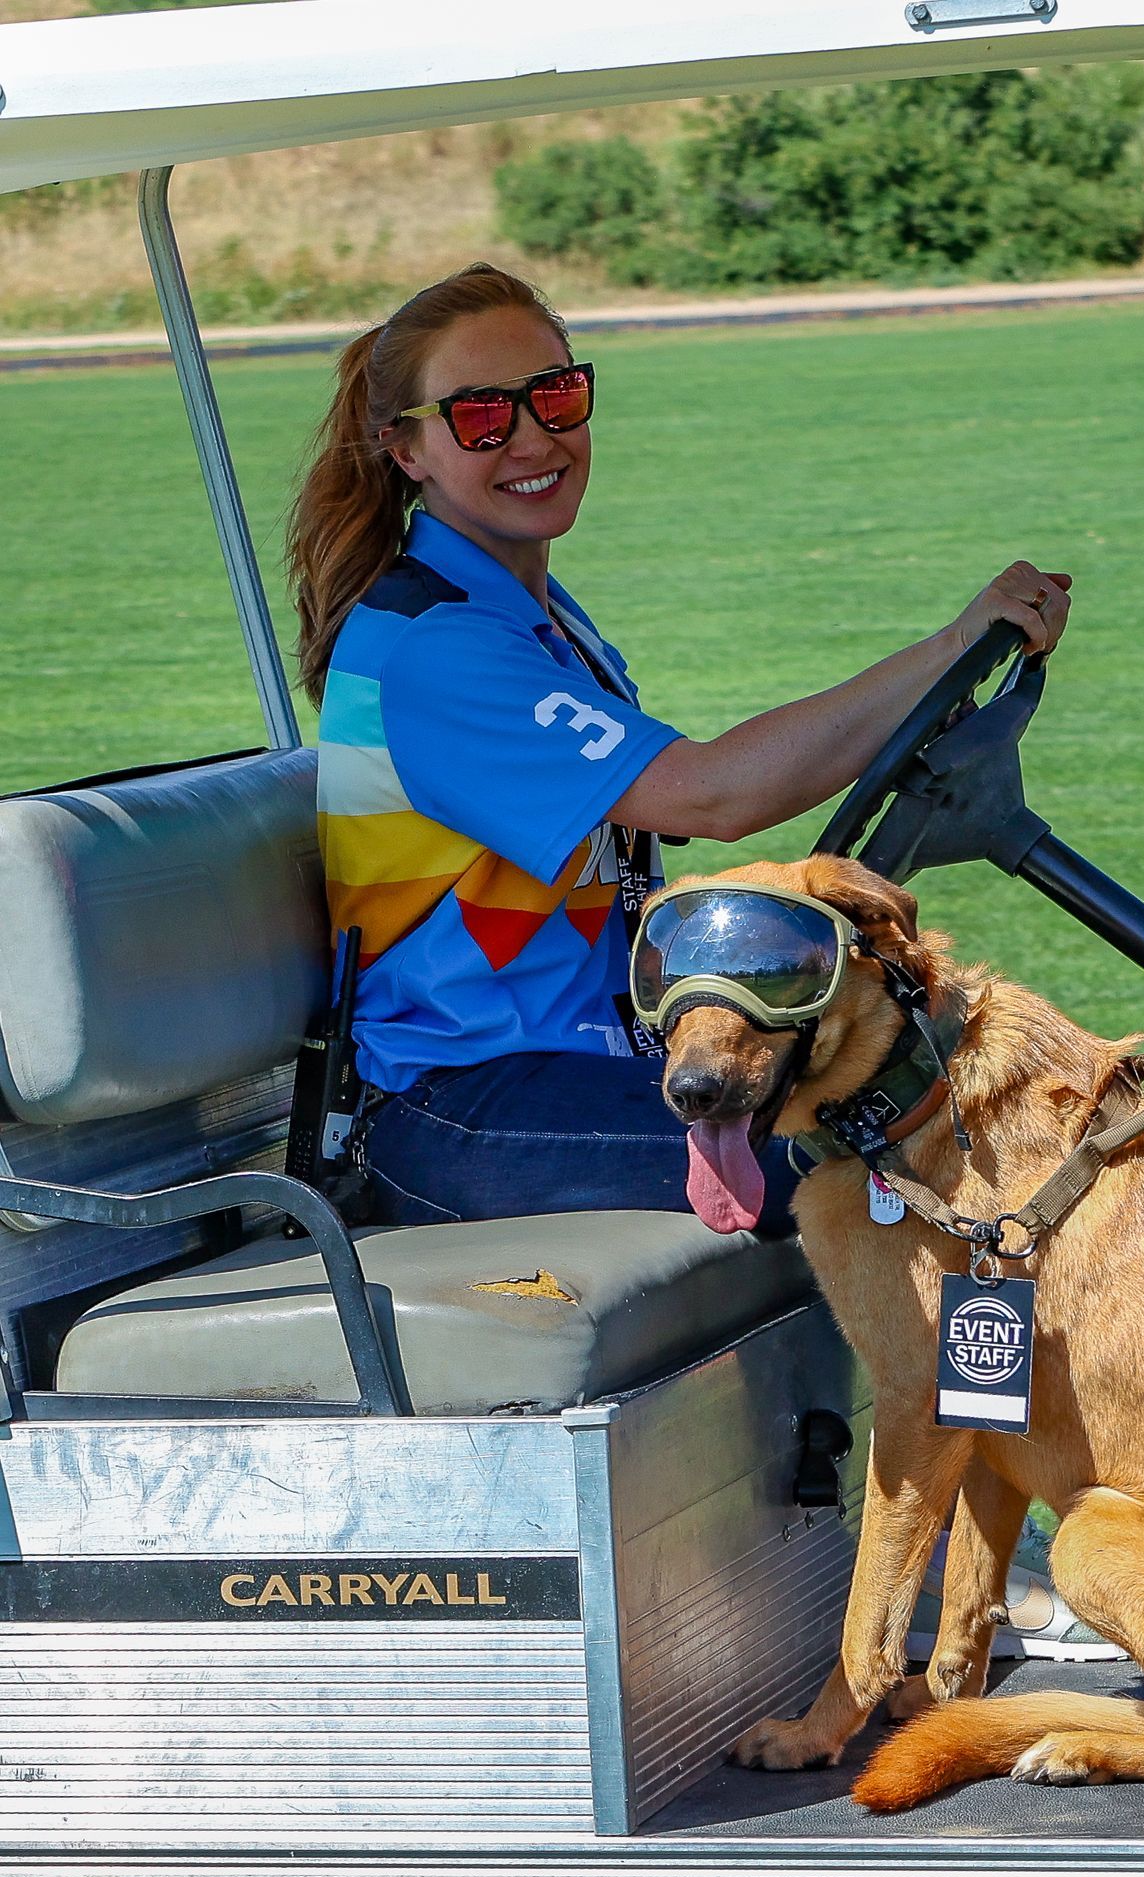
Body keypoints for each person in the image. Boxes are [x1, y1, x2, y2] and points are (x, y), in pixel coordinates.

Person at [285, 263, 1070, 1226]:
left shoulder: (532, 615)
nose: (534, 438)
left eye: (557, 397)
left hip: (596, 1058)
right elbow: (708, 795)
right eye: (483, 417)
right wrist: (950, 647)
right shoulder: (435, 648)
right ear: (406, 450)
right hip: (463, 1106)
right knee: (914, 1157)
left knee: (967, 1081)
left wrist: (933, 688)